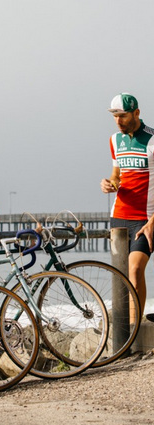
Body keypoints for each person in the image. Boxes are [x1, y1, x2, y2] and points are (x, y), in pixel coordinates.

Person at [100, 93, 154, 319]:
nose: (118, 121)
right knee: (122, 277)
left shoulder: (151, 140)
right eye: (115, 116)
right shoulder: (115, 140)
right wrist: (109, 183)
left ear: (137, 113)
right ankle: (126, 333)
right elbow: (117, 175)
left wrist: (153, 222)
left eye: (123, 116)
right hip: (119, 217)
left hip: (145, 218)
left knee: (135, 269)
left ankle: (135, 328)